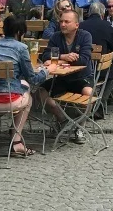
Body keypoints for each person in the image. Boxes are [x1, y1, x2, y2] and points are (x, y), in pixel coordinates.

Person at [0, 15, 58, 157]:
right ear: (19, 32)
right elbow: (33, 79)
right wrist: (48, 70)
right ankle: (16, 142)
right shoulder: (21, 47)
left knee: (23, 86)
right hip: (7, 101)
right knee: (28, 98)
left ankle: (13, 129)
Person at [39, 9, 93, 144]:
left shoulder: (85, 36)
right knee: (40, 92)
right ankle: (63, 120)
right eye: (61, 21)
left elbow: (84, 60)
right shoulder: (56, 37)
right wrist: (64, 57)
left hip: (80, 77)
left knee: (89, 92)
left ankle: (80, 126)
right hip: (61, 78)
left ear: (76, 25)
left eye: (66, 22)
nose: (63, 24)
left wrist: (58, 60)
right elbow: (45, 56)